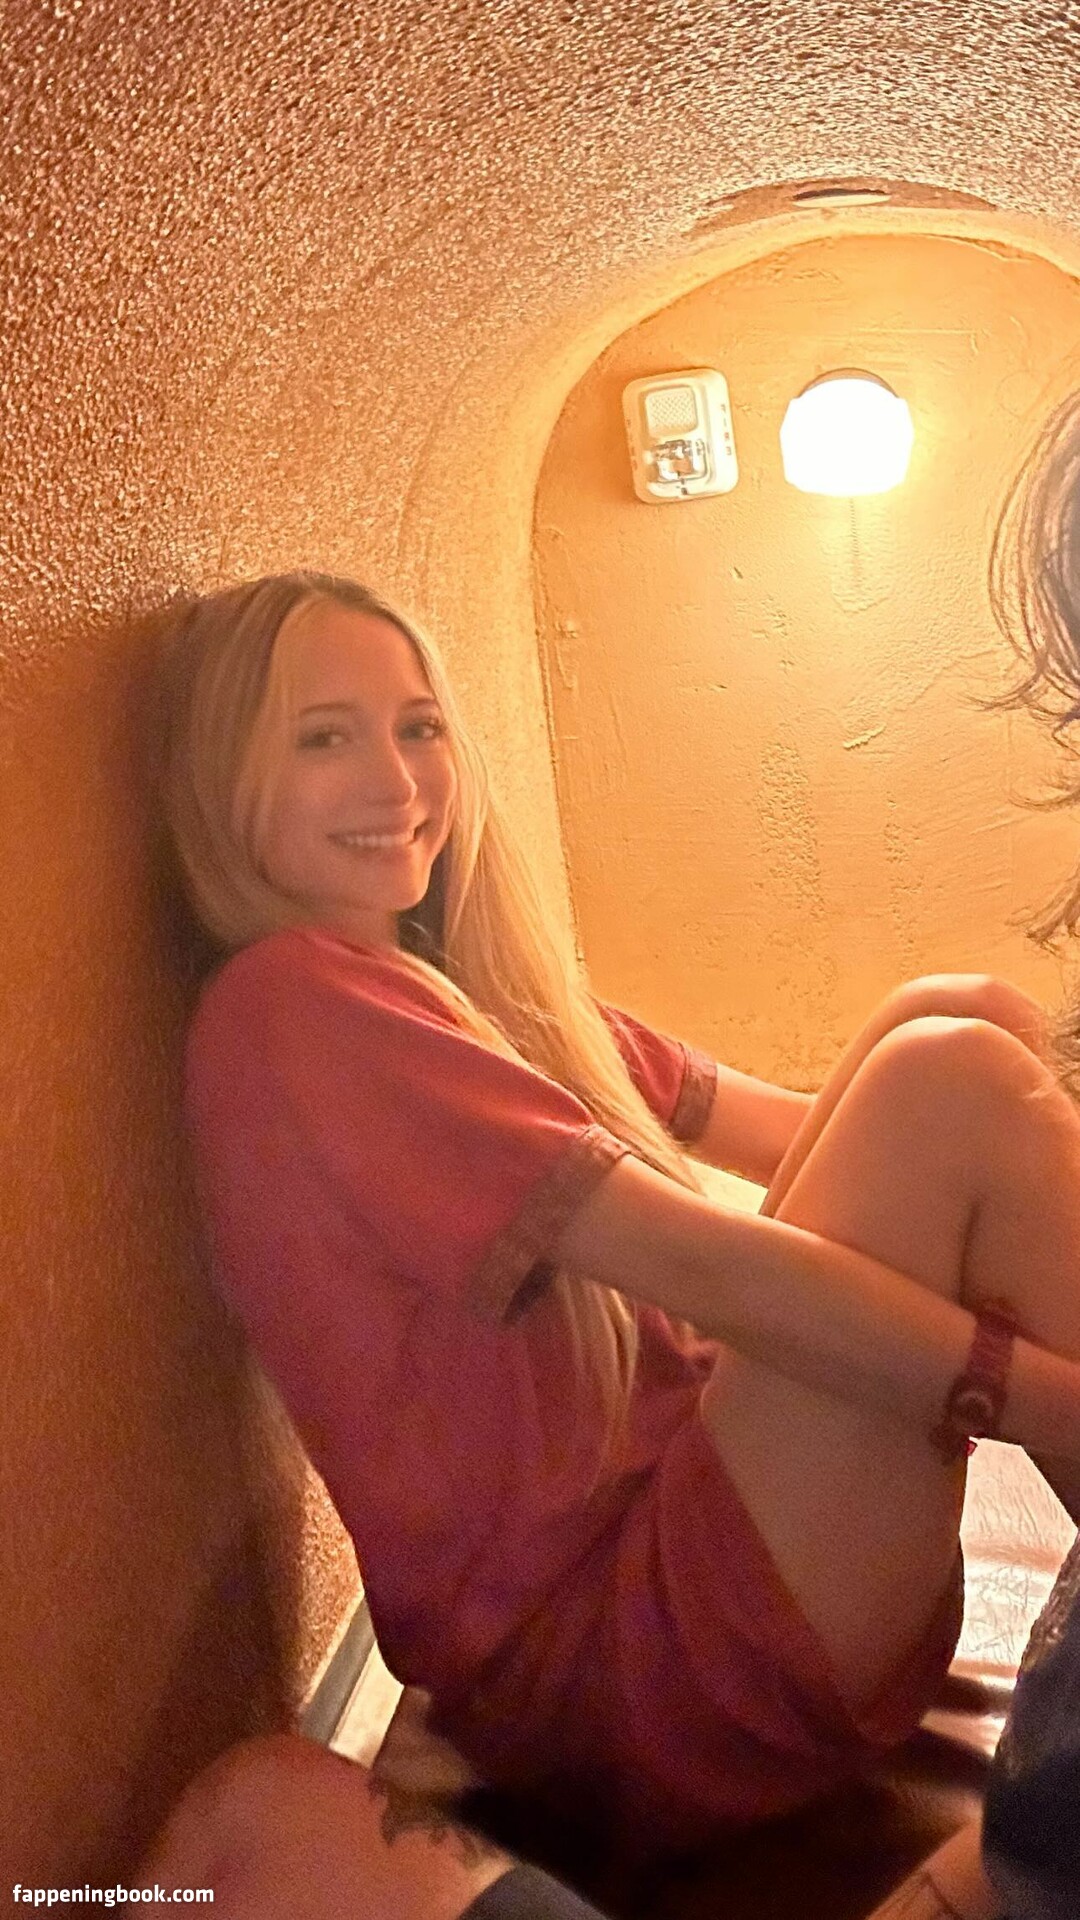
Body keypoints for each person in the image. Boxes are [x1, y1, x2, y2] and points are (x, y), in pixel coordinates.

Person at [148, 528, 1080, 1865]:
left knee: (963, 1020)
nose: (397, 781)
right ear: (223, 778)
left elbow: (793, 1128)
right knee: (953, 1077)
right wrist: (1031, 1392)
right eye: (324, 739)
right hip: (628, 1681)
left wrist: (981, 1196)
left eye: (419, 728)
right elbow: (711, 1267)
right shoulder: (291, 1006)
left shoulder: (459, 992)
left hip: (692, 1543)